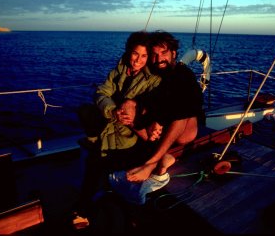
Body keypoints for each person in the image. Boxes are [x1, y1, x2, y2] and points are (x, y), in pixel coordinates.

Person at [73, 30, 173, 229]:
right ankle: (87, 205)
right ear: (128, 51)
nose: (138, 60)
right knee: (86, 114)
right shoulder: (119, 70)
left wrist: (132, 112)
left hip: (130, 136)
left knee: (98, 165)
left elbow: (151, 105)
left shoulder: (152, 79)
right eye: (135, 53)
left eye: (144, 56)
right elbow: (102, 91)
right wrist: (112, 110)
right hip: (110, 126)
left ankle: (86, 209)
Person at [124, 30, 204, 182]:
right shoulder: (152, 74)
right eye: (154, 54)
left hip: (183, 130)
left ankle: (150, 163)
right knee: (127, 107)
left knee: (182, 111)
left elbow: (194, 103)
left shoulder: (183, 73)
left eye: (164, 53)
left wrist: (159, 119)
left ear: (173, 54)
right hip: (158, 130)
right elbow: (147, 98)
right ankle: (163, 155)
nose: (159, 58)